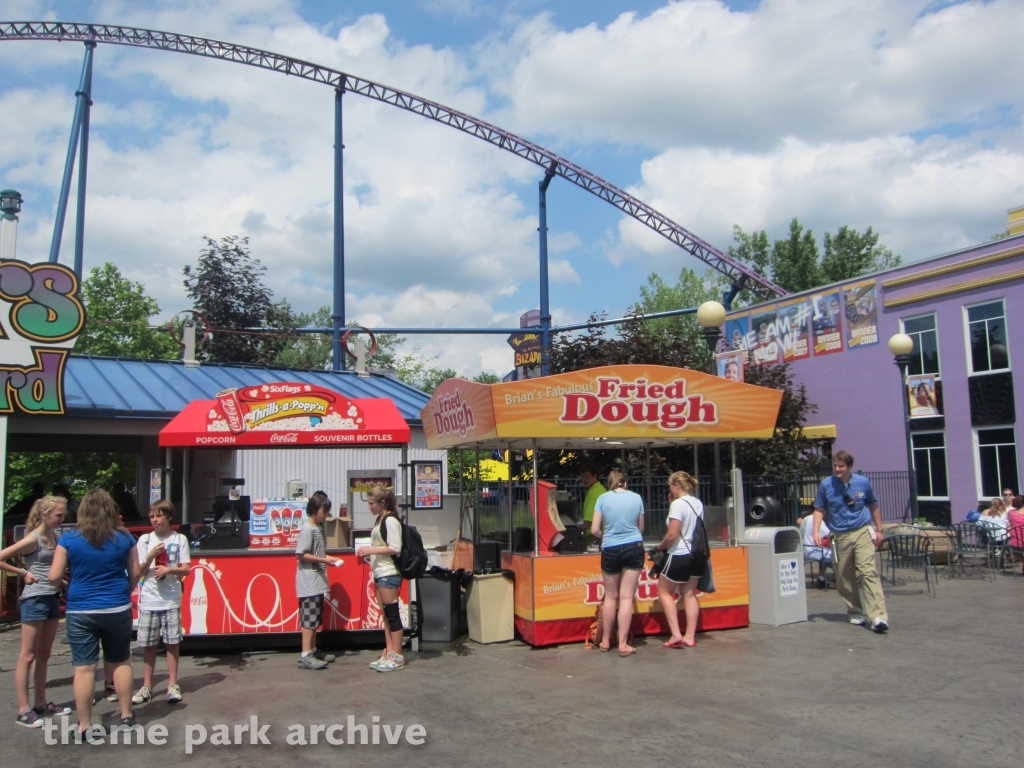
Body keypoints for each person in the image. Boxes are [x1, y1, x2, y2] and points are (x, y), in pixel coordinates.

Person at [48, 488, 140, 737]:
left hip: (81, 610)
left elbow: (55, 576)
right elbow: (135, 573)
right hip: (117, 607)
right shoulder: (124, 537)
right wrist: (124, 592)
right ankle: (126, 715)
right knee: (120, 661)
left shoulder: (69, 539)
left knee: (85, 668)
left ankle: (85, 725)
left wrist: (66, 586)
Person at [0, 496, 73, 727]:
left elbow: (50, 567)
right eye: (58, 515)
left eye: (63, 515)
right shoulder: (33, 539)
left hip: (51, 598)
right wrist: (22, 573)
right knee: (28, 655)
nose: (62, 519)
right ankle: (23, 709)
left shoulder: (56, 536)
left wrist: (60, 582)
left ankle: (40, 703)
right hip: (33, 599)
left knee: (44, 654)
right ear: (44, 515)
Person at [812, 451, 889, 633]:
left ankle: (878, 616)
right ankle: (855, 610)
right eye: (835, 465)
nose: (838, 469)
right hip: (839, 534)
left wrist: (879, 529)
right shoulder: (826, 485)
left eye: (841, 466)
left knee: (868, 571)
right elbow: (819, 509)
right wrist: (816, 531)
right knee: (844, 577)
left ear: (849, 467)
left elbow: (873, 504)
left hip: (861, 531)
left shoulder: (862, 482)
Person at [132, 500, 191, 703]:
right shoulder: (145, 540)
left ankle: (172, 684)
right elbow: (138, 571)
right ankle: (146, 686)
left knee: (172, 642)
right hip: (149, 598)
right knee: (148, 644)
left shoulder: (180, 539)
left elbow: (186, 569)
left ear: (168, 517)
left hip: (171, 598)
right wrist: (150, 556)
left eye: (158, 516)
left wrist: (169, 570)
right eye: (151, 516)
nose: (154, 520)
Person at [591, 469, 644, 656]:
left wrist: (607, 536)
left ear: (610, 483)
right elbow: (641, 527)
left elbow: (594, 529)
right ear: (625, 483)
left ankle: (605, 641)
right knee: (627, 597)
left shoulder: (603, 499)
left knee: (611, 597)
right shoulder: (637, 498)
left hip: (610, 548)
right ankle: (622, 644)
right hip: (633, 546)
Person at [357, 486, 406, 672]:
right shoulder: (380, 520)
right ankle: (389, 651)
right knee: (385, 615)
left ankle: (397, 655)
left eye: (371, 503)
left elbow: (395, 547)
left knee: (392, 615)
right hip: (379, 572)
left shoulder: (391, 520)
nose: (369, 507)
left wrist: (370, 550)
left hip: (389, 573)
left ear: (382, 503)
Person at [653, 471, 703, 649]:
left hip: (679, 554)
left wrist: (660, 546)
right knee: (689, 594)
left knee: (664, 591)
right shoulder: (697, 503)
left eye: (670, 487)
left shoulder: (677, 505)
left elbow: (673, 534)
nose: (669, 490)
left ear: (675, 485)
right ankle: (690, 636)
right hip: (696, 555)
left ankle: (675, 634)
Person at [295, 491, 342, 670]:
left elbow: (315, 554)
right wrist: (324, 560)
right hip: (309, 581)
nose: (326, 513)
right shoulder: (308, 529)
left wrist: (328, 559)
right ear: (315, 510)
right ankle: (305, 655)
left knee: (314, 618)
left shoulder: (317, 528)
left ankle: (312, 650)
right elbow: (301, 554)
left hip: (316, 581)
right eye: (324, 510)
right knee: (309, 619)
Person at [799, 514, 832, 589]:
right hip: (812, 550)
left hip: (803, 549)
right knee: (837, 555)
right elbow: (829, 535)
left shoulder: (806, 518)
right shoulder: (817, 519)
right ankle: (842, 581)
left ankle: (821, 579)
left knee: (824, 553)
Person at [579, 465, 606, 535]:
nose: (584, 480)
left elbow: (589, 521)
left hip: (593, 535)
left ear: (595, 476)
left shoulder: (594, 493)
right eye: (582, 477)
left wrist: (577, 532)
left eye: (587, 476)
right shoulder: (600, 489)